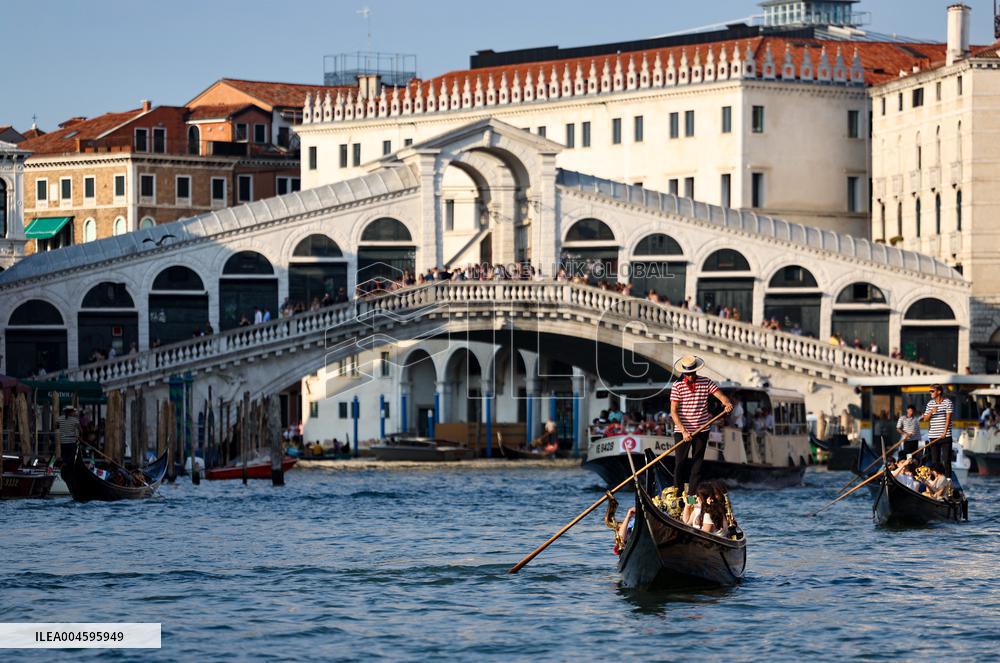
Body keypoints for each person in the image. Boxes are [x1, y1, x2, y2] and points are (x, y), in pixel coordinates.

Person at [670, 355, 733, 490]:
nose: (691, 377)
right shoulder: (677, 386)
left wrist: (726, 403)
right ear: (684, 373)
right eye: (688, 374)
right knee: (679, 464)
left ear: (696, 371)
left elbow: (721, 396)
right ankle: (678, 496)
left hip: (702, 429)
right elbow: (673, 411)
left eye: (692, 373)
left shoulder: (706, 382)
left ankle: (691, 497)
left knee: (697, 465)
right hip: (682, 431)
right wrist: (684, 431)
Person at [921, 383, 953, 469]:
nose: (930, 393)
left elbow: (948, 418)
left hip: (945, 435)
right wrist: (931, 412)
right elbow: (925, 419)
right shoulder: (930, 404)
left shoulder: (947, 402)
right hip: (933, 436)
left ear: (939, 392)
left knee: (946, 460)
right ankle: (936, 479)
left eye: (932, 391)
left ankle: (948, 479)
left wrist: (944, 432)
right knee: (935, 460)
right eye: (930, 391)